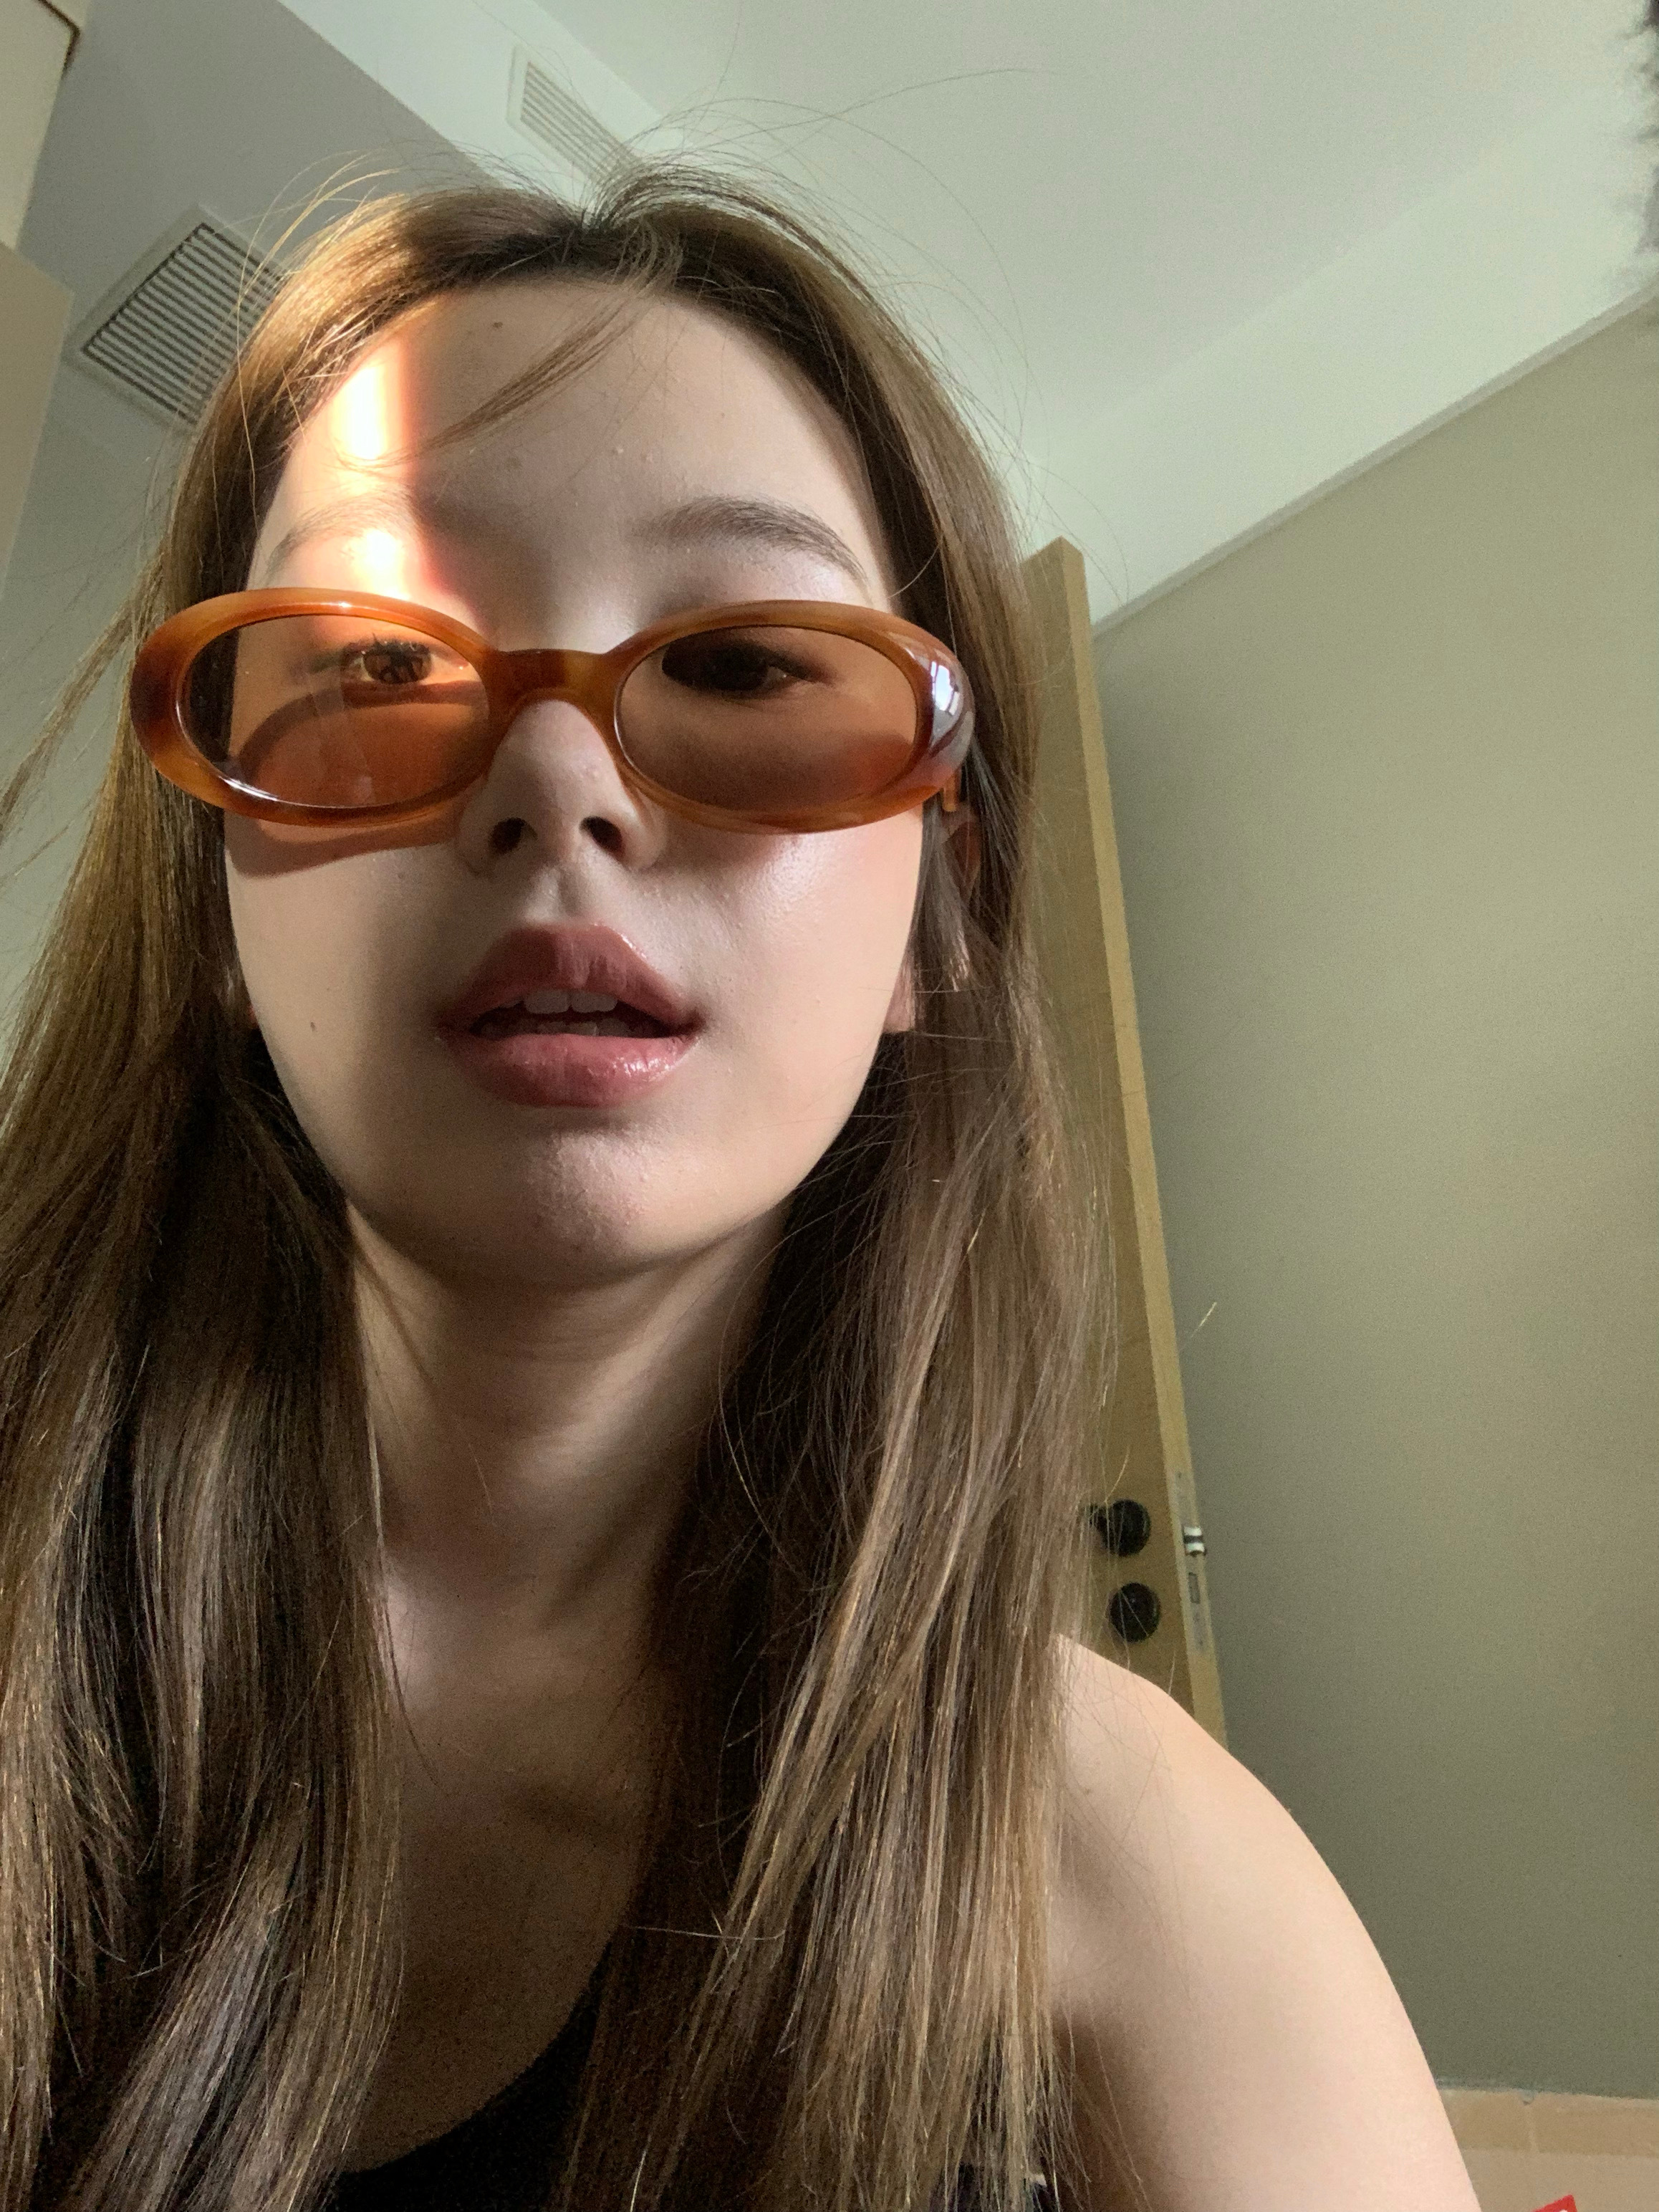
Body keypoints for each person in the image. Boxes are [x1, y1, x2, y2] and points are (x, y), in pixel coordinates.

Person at [0, 170, 1478, 2211]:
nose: (558, 783)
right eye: (376, 664)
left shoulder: (1138, 1886)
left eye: (751, 669)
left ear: (935, 920)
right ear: (218, 893)